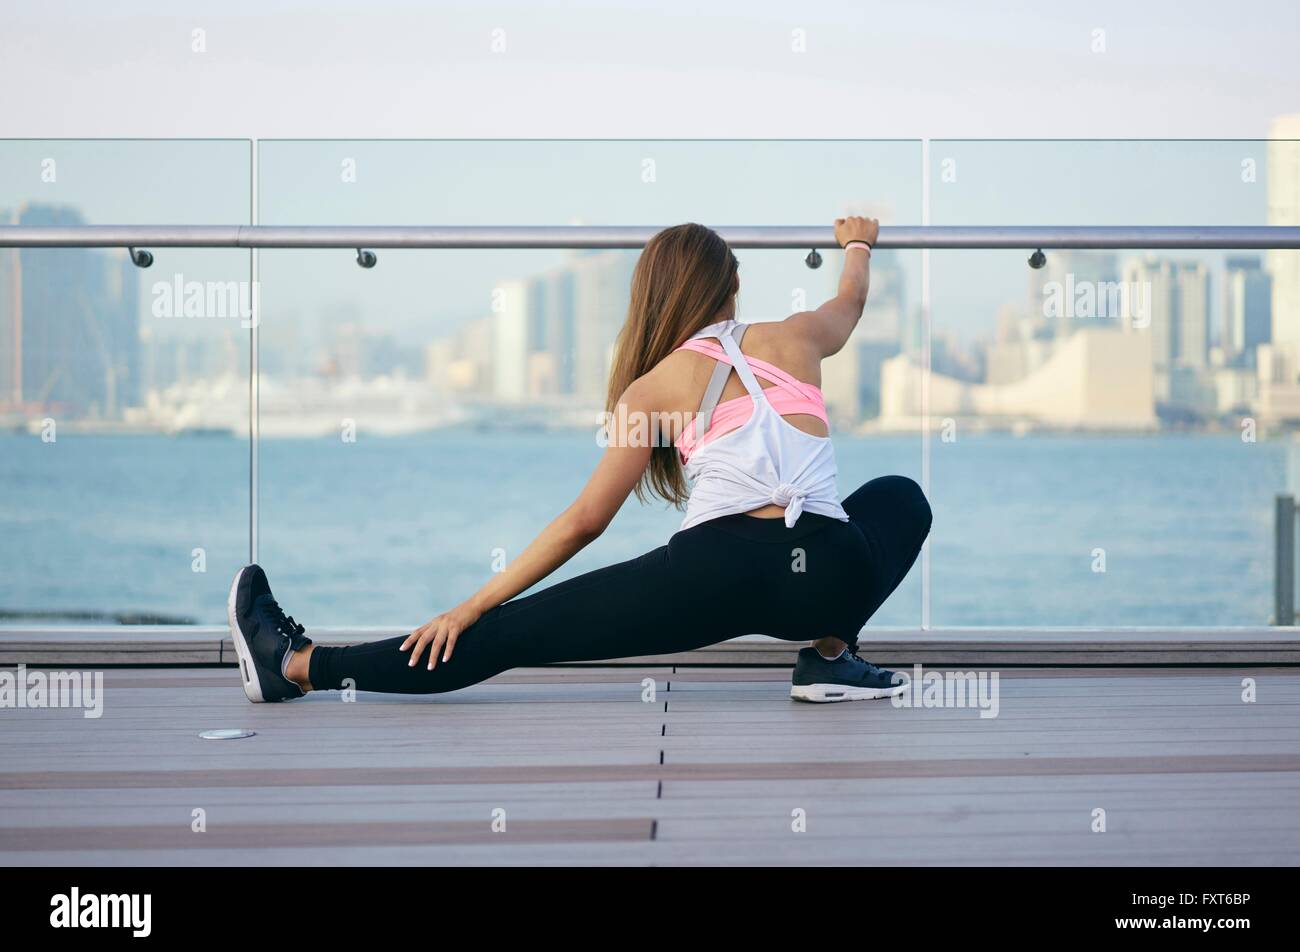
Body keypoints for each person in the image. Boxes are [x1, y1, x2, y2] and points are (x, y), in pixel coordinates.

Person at [228, 217, 932, 705]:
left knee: (504, 637)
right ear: (729, 288)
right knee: (901, 496)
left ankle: (294, 665)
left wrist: (470, 607)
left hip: (715, 575)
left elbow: (585, 521)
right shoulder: (800, 335)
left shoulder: (650, 388)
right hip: (828, 574)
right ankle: (831, 656)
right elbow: (851, 300)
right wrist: (858, 244)